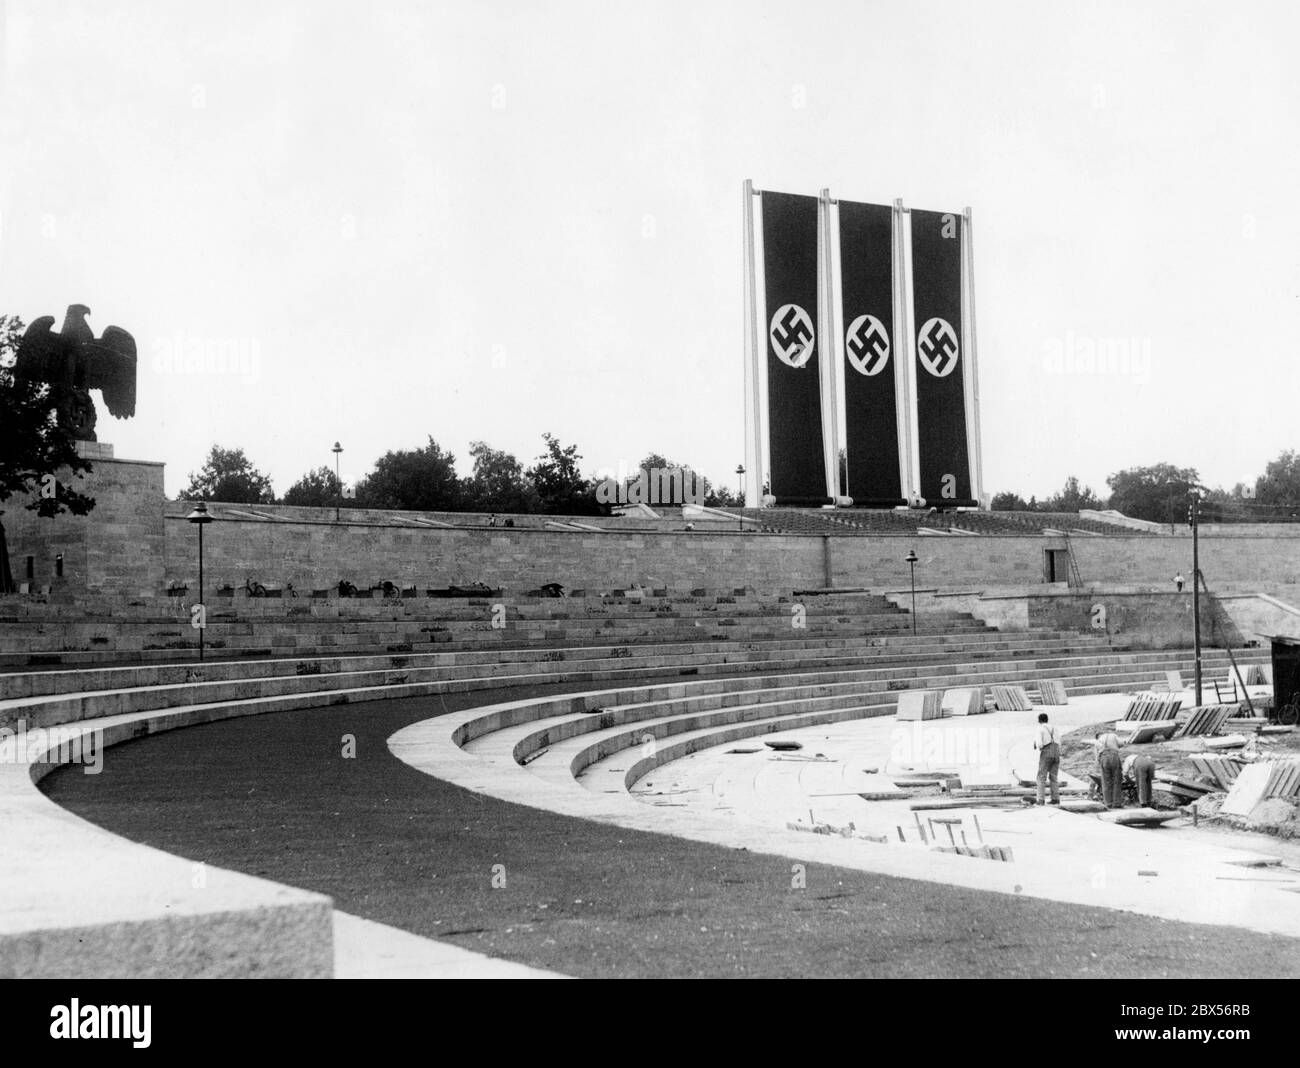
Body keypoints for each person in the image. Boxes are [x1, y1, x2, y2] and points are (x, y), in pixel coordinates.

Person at [1033, 712, 1061, 805]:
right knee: (1054, 777)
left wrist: (1038, 747)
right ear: (1047, 719)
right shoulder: (1055, 728)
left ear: (1039, 720)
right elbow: (1059, 742)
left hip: (1046, 752)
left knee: (1041, 776)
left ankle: (1040, 799)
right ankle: (1055, 799)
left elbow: (1039, 743)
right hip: (1056, 751)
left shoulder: (1040, 729)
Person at [1096, 730, 1123, 808]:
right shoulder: (1113, 735)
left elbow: (1097, 752)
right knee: (1117, 780)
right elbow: (1121, 743)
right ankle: (1117, 803)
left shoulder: (1099, 739)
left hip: (1103, 757)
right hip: (1114, 756)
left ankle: (1108, 803)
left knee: (1105, 781)